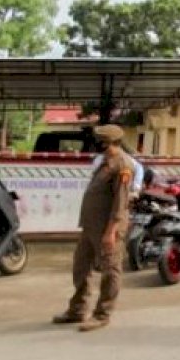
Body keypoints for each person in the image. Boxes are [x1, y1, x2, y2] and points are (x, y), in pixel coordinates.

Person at [52, 125, 136, 332]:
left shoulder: (123, 165)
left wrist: (111, 232)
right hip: (91, 227)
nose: (96, 144)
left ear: (107, 143)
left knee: (110, 270)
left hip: (108, 229)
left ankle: (102, 314)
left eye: (99, 141)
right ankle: (78, 309)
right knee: (81, 266)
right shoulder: (105, 162)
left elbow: (120, 202)